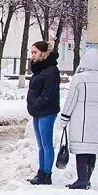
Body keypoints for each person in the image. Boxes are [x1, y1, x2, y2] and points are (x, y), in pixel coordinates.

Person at [58, 49, 98, 190]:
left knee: (81, 150)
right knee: (91, 150)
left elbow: (71, 99)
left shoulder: (79, 78)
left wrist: (64, 117)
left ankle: (81, 180)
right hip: (97, 117)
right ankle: (87, 179)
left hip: (80, 117)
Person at [26, 41, 61, 185]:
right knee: (41, 145)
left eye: (35, 52)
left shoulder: (51, 70)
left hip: (46, 112)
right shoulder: (39, 69)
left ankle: (47, 175)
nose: (32, 55)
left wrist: (36, 105)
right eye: (32, 52)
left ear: (43, 53)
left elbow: (48, 93)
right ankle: (41, 172)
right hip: (37, 111)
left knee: (47, 144)